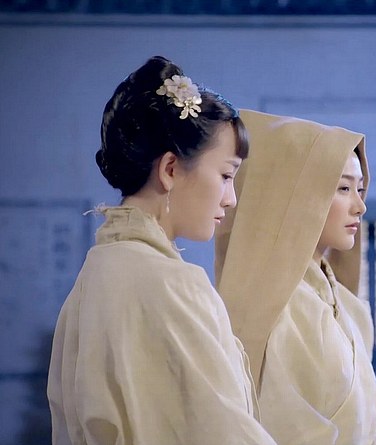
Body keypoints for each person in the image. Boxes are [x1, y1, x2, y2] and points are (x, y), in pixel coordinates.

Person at [47, 56, 276, 445]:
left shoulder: (93, 276)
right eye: (225, 175)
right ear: (170, 169)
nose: (231, 198)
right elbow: (222, 432)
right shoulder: (172, 284)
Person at [214, 110, 376, 445]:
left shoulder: (349, 307)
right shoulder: (276, 311)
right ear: (297, 196)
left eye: (360, 189)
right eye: (343, 188)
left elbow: (365, 426)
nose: (360, 206)